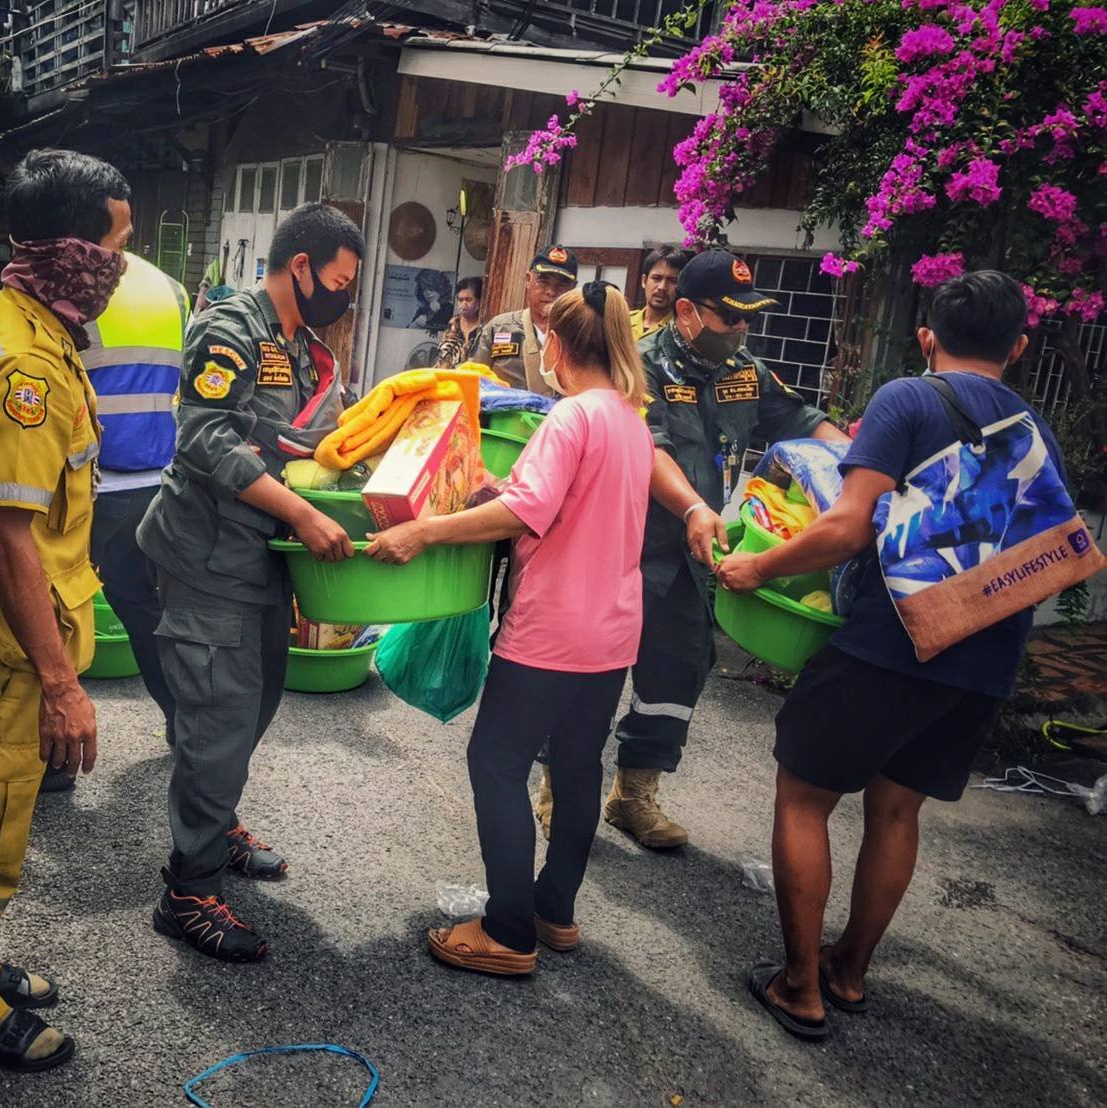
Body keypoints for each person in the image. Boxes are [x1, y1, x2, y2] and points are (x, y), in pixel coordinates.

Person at [715, 271, 1067, 1040]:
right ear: (1019, 346)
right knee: (897, 809)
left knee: (805, 796)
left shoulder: (907, 399)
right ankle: (848, 971)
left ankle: (799, 986)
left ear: (926, 337)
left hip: (895, 640)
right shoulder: (1034, 425)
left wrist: (757, 567)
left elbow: (848, 525)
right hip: (986, 653)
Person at [365, 282, 714, 974]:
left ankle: (508, 930)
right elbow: (560, 498)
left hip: (552, 630)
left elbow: (529, 514)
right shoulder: (624, 417)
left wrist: (425, 533)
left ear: (554, 345)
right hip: (612, 632)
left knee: (494, 763)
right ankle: (555, 912)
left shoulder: (572, 416)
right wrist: (494, 488)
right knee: (578, 768)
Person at [0, 148, 133, 1073]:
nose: (129, 259)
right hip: (8, 648)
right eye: (121, 241)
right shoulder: (28, 373)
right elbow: (11, 540)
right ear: (79, 247)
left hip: (5, 632)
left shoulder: (25, 322)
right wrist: (59, 684)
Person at [532, 249, 851, 848]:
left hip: (689, 559)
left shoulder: (746, 372)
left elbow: (806, 424)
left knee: (677, 673)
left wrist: (865, 472)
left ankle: (634, 794)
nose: (740, 329)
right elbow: (650, 451)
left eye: (746, 318)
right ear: (685, 312)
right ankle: (559, 786)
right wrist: (694, 507)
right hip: (622, 547)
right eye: (728, 318)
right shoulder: (639, 366)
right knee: (586, 675)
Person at [137, 202, 362, 963]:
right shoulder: (230, 327)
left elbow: (286, 438)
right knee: (218, 721)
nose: (344, 298)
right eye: (338, 281)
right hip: (208, 557)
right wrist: (301, 512)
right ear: (300, 267)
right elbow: (204, 438)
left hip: (259, 556)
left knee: (254, 704)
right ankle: (189, 891)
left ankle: (217, 821)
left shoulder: (298, 345)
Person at [34, 250, 188, 796]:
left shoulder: (73, 287)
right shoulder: (171, 288)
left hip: (89, 481)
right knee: (147, 610)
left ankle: (54, 759)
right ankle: (182, 724)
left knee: (54, 608)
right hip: (157, 480)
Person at [470, 246, 579, 394]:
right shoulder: (499, 328)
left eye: (562, 284)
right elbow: (472, 379)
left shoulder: (580, 335)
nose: (551, 291)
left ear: (573, 288)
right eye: (543, 281)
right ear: (528, 280)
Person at [630, 247, 687, 341]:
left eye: (672, 281)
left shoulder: (682, 331)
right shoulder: (622, 322)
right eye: (656, 278)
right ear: (644, 281)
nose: (662, 287)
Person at [436, 276, 484, 368]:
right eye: (460, 300)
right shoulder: (454, 323)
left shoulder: (485, 327)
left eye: (469, 300)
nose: (464, 304)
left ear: (479, 301)